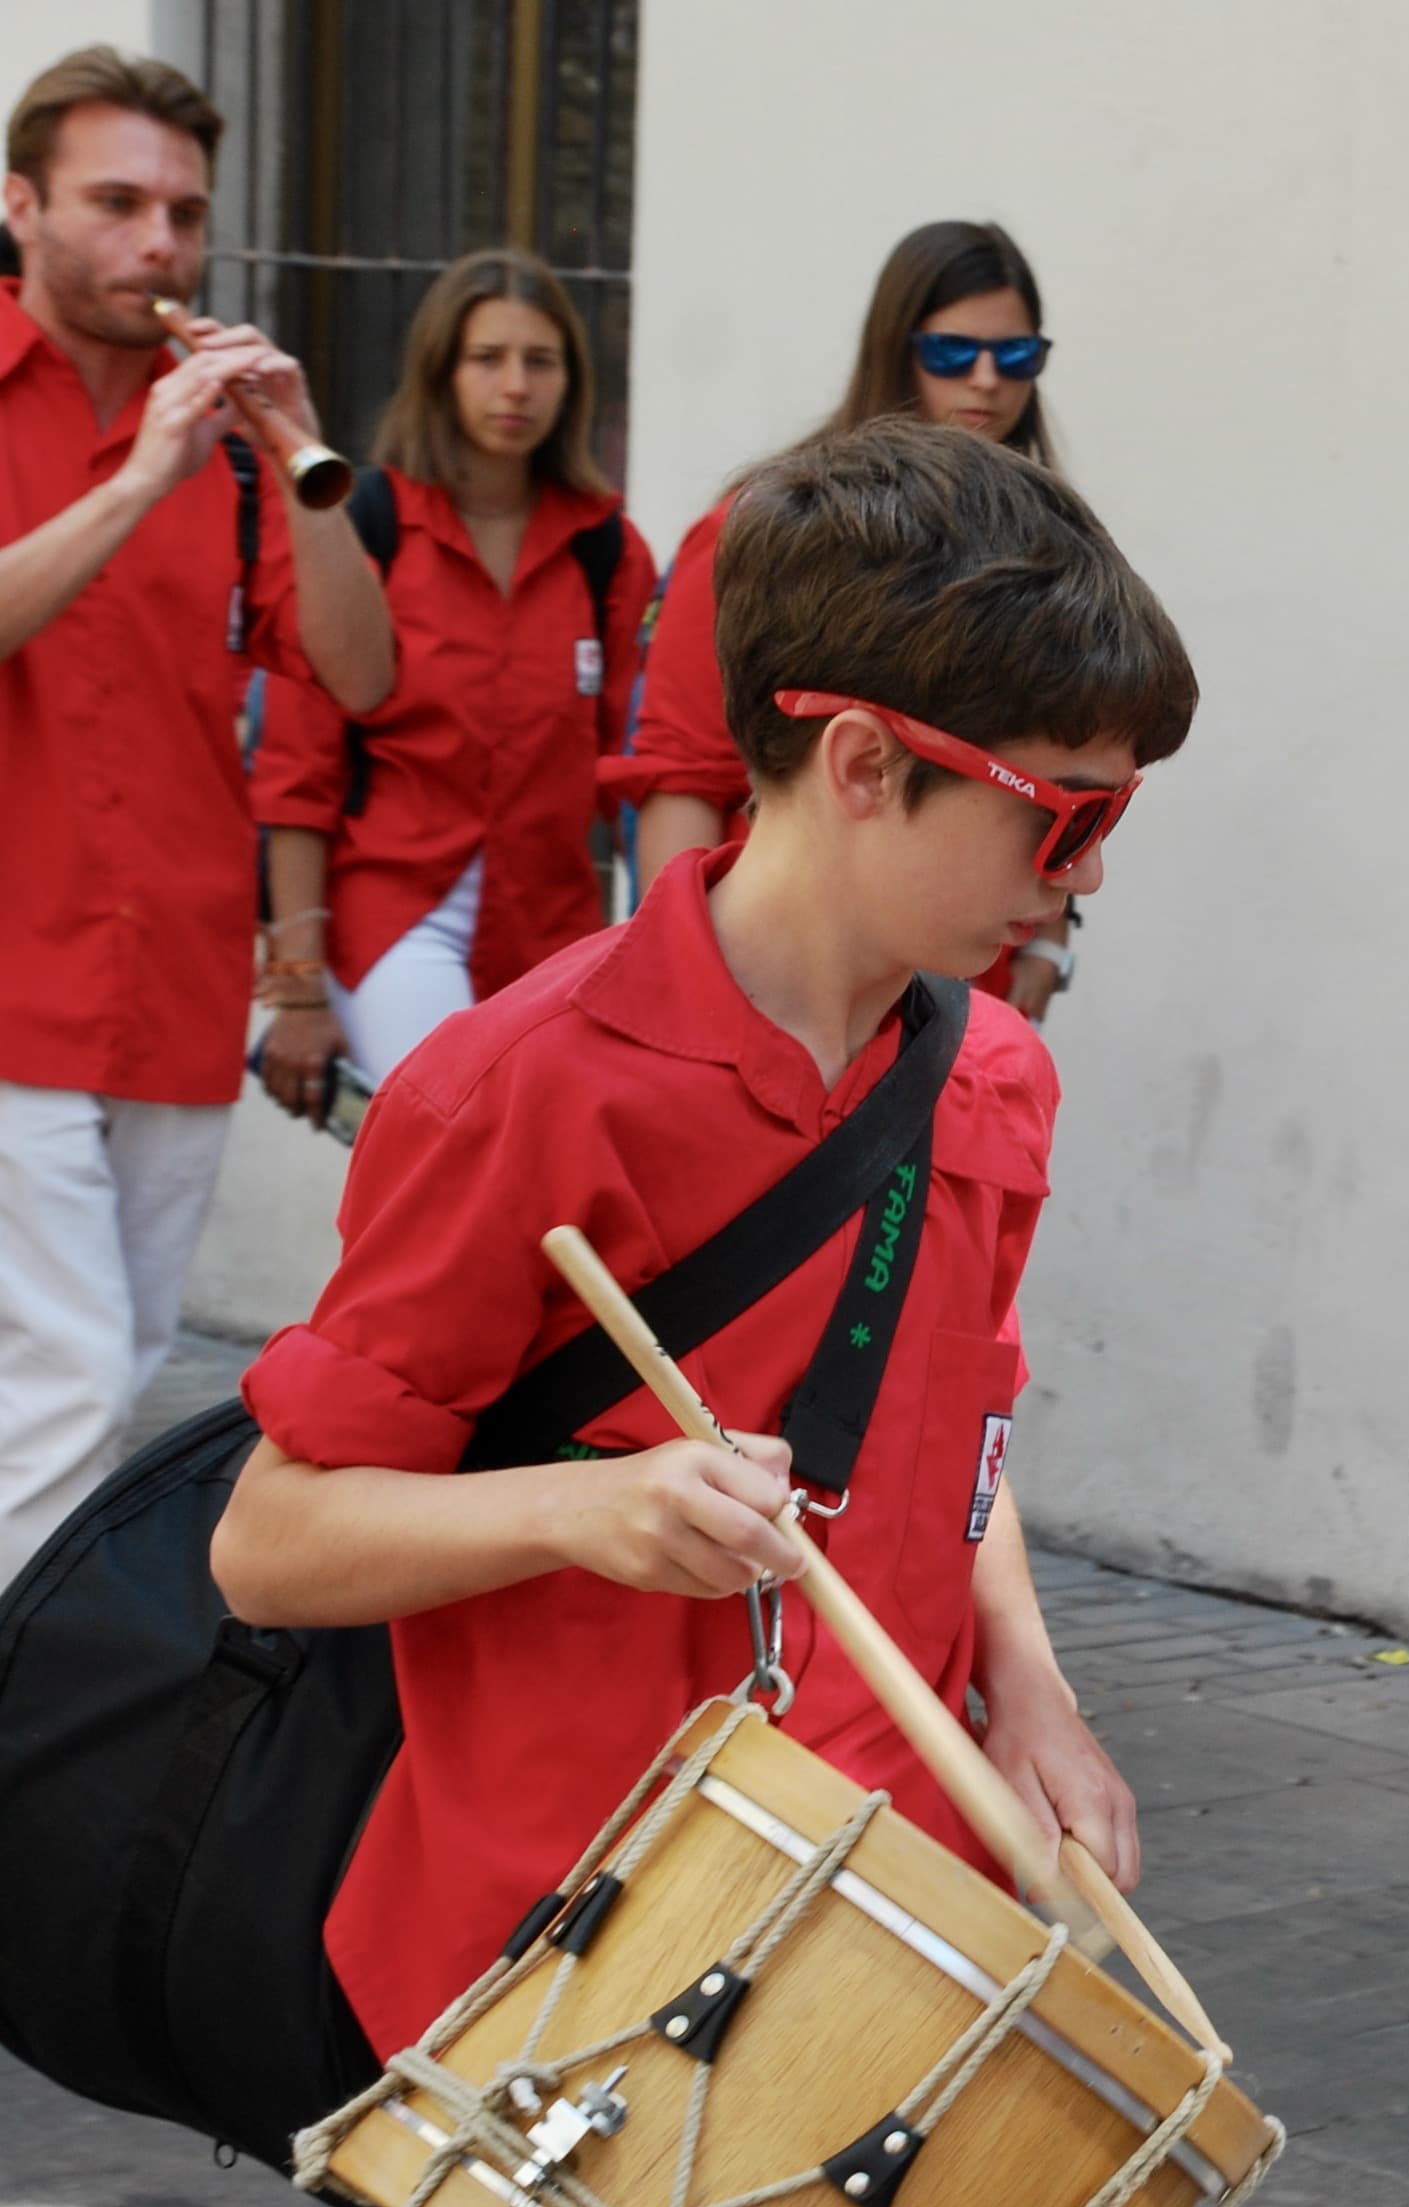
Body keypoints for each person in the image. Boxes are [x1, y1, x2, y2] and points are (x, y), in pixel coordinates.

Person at [211, 417, 1175, 2207]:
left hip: (893, 1914)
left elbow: (958, 1429)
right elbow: (271, 1543)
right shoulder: (514, 1090)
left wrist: (1037, 1695)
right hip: (580, 1946)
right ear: (858, 761)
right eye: (1060, 818)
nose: (1083, 870)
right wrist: (594, 1503)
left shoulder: (990, 1073)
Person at [0, 45, 393, 1583]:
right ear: (20, 205)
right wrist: (134, 474)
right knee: (75, 1379)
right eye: (116, 204)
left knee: (94, 1377)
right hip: (7, 977)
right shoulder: (126, 438)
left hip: (166, 976)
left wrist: (302, 462)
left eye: (182, 211)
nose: (158, 245)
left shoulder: (229, 451)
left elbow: (356, 677)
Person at [613, 219, 1077, 1016]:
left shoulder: (1047, 544)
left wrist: (1049, 939)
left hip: (963, 1005)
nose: (988, 380)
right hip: (785, 991)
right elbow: (681, 778)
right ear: (897, 349)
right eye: (952, 353)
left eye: (1018, 356)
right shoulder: (758, 531)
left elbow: (1062, 768)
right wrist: (694, 998)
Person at [248, 247, 657, 1105]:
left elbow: (634, 774)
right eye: (488, 359)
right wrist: (298, 985)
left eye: (539, 361)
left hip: (549, 930)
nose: (515, 386)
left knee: (529, 1181)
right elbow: (297, 772)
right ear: (441, 371)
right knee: (457, 1131)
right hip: (393, 916)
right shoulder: (362, 521)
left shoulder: (607, 551)